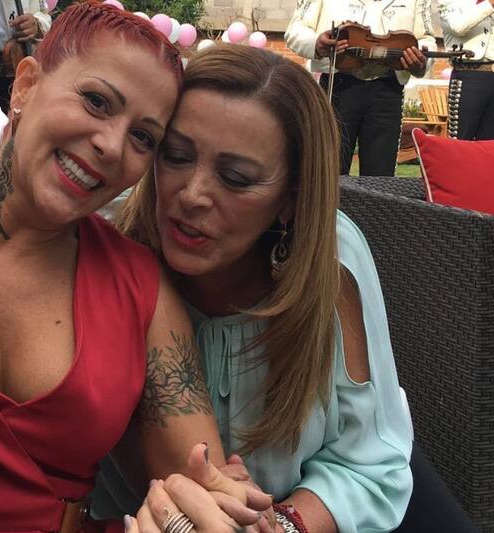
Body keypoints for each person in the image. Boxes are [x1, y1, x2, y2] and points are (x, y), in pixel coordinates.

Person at [0, 4, 270, 533]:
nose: (111, 146)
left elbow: (197, 480)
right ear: (25, 85)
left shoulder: (138, 287)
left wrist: (213, 511)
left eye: (143, 137)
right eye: (97, 101)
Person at [94, 43, 414, 533]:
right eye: (175, 156)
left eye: (236, 178)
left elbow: (369, 464)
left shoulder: (332, 262)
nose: (192, 195)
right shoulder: (106, 251)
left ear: (291, 199)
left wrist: (282, 525)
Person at [285, 0, 436, 176]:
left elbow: (426, 39)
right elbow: (296, 29)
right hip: (338, 83)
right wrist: (316, 44)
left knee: (380, 178)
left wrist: (422, 60)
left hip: (388, 87)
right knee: (329, 170)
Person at [439, 0, 494, 140]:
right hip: (468, 75)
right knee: (461, 140)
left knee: (490, 145)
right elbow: (458, 26)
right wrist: (489, 4)